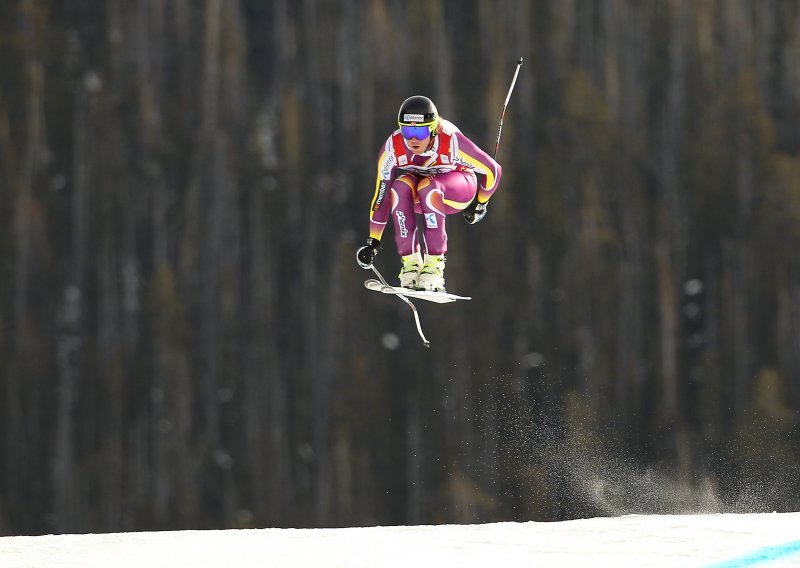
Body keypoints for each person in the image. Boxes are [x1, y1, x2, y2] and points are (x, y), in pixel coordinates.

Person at [356, 95, 502, 291]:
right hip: (422, 190)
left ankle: (434, 267)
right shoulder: (393, 148)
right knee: (399, 187)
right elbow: (381, 197)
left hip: (459, 188)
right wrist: (373, 241)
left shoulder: (451, 143)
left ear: (433, 129)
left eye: (421, 132)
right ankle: (411, 265)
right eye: (407, 131)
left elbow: (493, 170)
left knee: (429, 187)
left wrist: (480, 203)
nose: (414, 139)